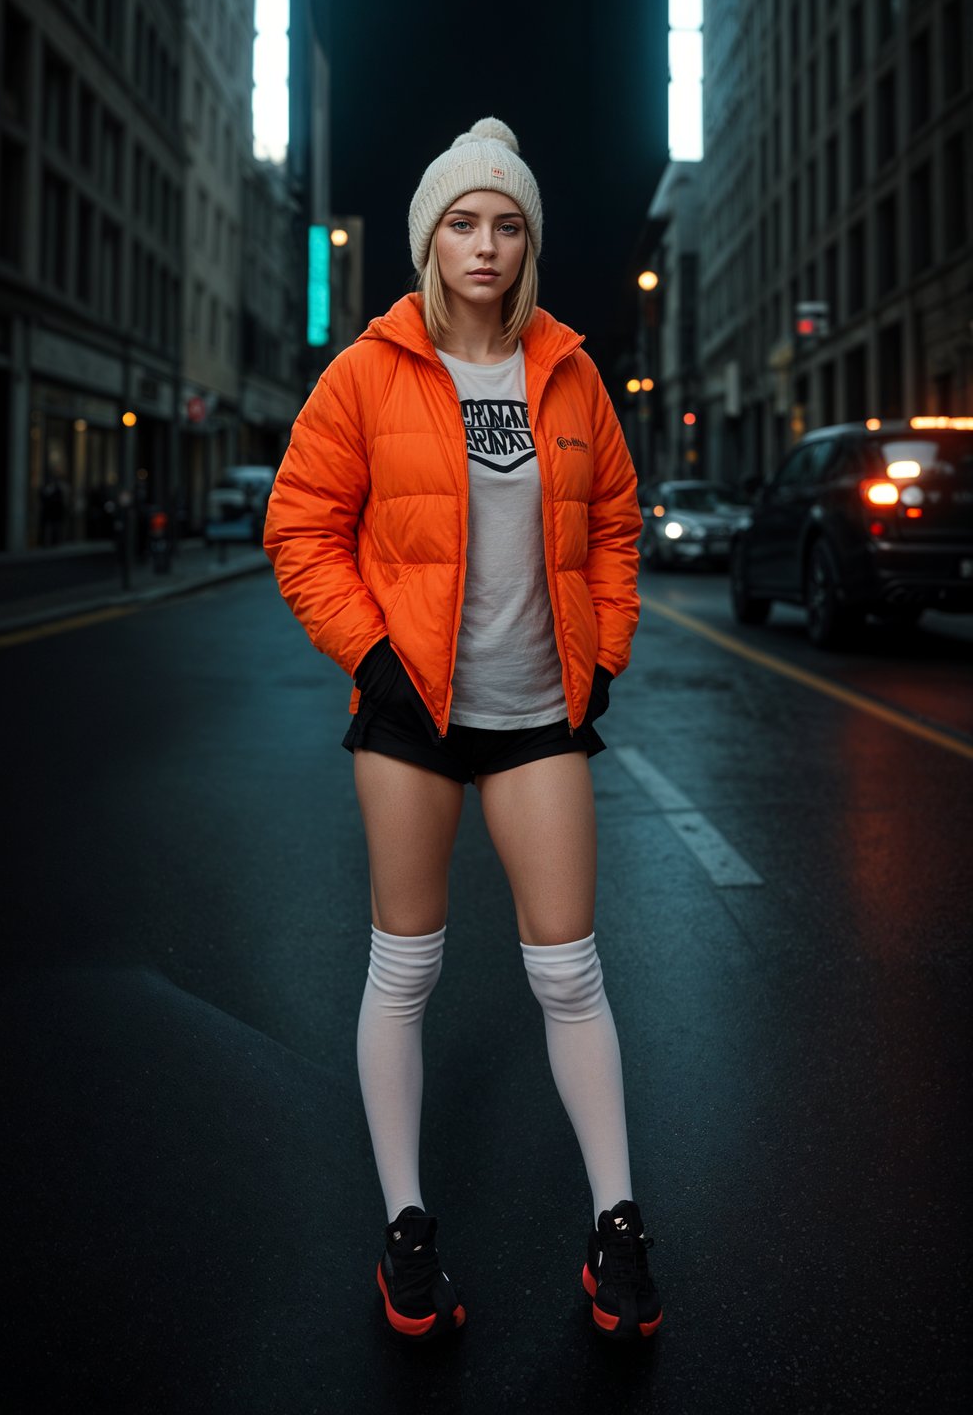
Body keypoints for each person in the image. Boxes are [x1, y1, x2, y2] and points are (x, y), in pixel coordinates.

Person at [263, 117, 661, 1344]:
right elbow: (300, 529)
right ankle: (407, 1225)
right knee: (408, 966)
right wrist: (375, 659)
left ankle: (618, 1227)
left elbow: (614, 531)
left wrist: (600, 661)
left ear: (525, 242)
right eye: (461, 221)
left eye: (505, 224)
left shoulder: (571, 370)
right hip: (412, 717)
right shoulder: (368, 372)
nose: (483, 244)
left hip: (539, 712)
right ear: (428, 237)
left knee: (568, 969)